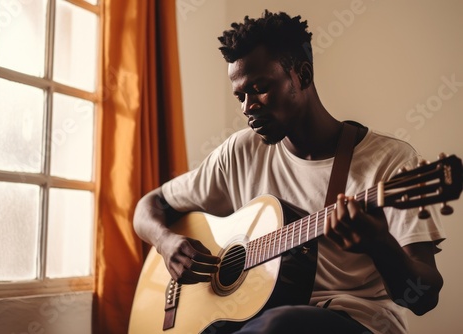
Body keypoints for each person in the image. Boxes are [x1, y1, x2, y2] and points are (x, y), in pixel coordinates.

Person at [133, 10, 445, 334]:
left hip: (357, 323)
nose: (247, 107)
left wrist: (380, 244)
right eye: (240, 95)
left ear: (303, 75)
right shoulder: (239, 152)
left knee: (279, 325)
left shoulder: (391, 163)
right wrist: (166, 241)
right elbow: (148, 207)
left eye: (259, 87)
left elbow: (423, 299)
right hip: (252, 319)